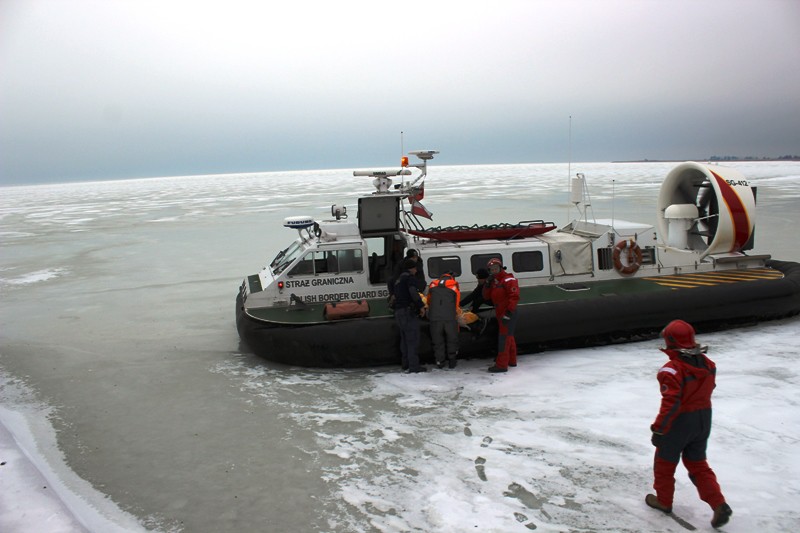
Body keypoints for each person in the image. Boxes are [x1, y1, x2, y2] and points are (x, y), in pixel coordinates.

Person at [646, 319, 733, 529]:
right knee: (698, 464)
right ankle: (718, 503)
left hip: (680, 422)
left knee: (665, 463)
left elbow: (671, 402)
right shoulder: (708, 364)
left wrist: (659, 428)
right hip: (703, 419)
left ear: (669, 341)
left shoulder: (671, 370)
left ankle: (664, 501)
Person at [482, 258, 519, 373]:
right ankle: (511, 360)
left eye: (496, 268)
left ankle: (501, 365)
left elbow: (514, 296)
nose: (494, 271)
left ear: (500, 268)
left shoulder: (508, 279)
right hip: (501, 312)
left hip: (508, 312)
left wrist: (508, 312)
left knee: (504, 338)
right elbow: (486, 297)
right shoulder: (495, 282)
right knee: (509, 336)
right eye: (492, 269)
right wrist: (487, 284)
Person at [393, 258, 427, 373]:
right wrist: (421, 306)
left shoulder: (398, 280)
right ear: (411, 268)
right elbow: (413, 292)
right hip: (407, 312)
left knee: (404, 340)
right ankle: (414, 366)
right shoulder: (410, 279)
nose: (416, 270)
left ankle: (405, 364)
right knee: (412, 339)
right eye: (415, 268)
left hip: (399, 312)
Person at [427, 272, 461, 369]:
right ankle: (452, 361)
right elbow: (457, 304)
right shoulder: (454, 286)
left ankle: (440, 361)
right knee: (452, 339)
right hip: (449, 317)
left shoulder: (433, 285)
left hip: (435, 318)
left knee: (437, 340)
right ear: (451, 277)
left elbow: (428, 301)